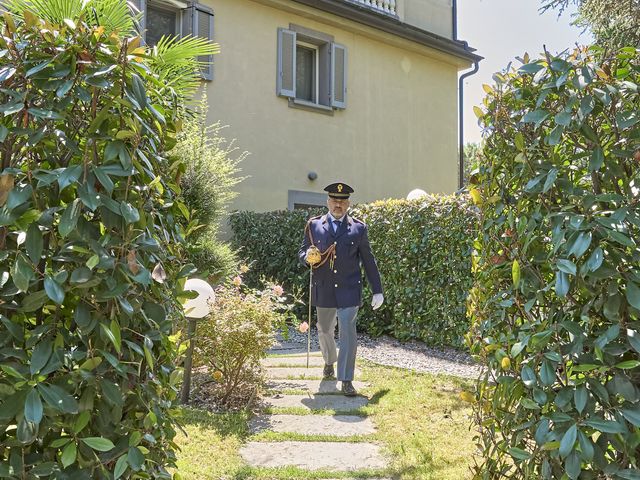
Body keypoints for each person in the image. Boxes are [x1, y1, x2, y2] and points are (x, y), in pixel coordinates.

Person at [298, 182, 384, 396]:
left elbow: (368, 260)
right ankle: (329, 361)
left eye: (342, 201)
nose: (338, 204)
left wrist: (377, 290)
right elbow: (302, 251)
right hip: (324, 287)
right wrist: (306, 257)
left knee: (348, 334)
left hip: (349, 290)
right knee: (325, 330)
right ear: (328, 202)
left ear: (348, 204)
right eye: (335, 200)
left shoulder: (358, 228)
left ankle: (346, 378)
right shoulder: (314, 225)